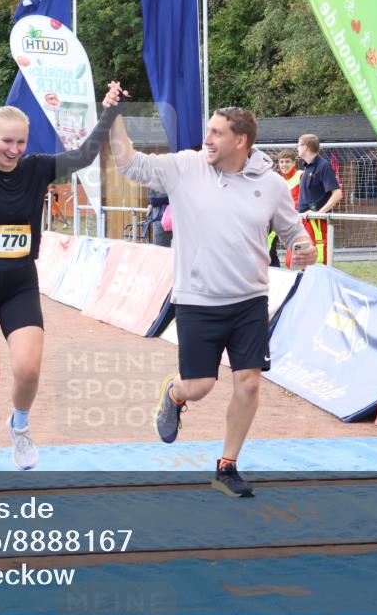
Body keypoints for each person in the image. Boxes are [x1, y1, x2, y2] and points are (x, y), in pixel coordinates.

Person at [107, 83, 317, 497]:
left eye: (217, 132)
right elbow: (129, 164)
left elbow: (293, 232)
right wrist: (112, 117)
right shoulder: (186, 167)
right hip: (197, 300)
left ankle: (227, 466)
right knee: (199, 386)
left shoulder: (272, 184)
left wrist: (302, 247)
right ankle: (175, 393)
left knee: (250, 383)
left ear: (241, 140)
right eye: (208, 130)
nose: (207, 138)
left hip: (250, 301)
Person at [0, 71, 123, 478]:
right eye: (7, 141)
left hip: (19, 282)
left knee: (28, 369)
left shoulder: (37, 169)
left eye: (21, 142)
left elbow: (85, 155)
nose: (14, 149)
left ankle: (19, 425)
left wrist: (107, 112)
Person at [296, 134, 343, 265]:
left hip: (316, 223)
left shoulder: (324, 166)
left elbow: (338, 194)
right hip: (305, 221)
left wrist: (319, 213)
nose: (297, 148)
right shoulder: (307, 167)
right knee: (303, 261)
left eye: (298, 145)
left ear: (305, 147)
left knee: (318, 260)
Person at [275, 150, 303, 267]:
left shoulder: (301, 175)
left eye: (287, 161)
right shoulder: (277, 179)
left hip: (298, 221)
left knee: (295, 258)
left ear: (294, 163)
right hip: (280, 221)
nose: (284, 165)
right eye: (281, 162)